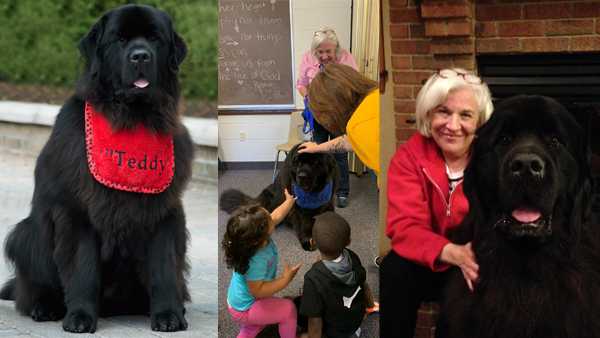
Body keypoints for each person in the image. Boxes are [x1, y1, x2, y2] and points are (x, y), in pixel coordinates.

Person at [379, 68, 494, 338]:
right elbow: (404, 227)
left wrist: (472, 256)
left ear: (479, 122)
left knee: (470, 293)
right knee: (393, 270)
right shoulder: (408, 157)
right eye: (443, 111)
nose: (453, 125)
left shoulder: (492, 160)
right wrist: (453, 252)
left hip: (473, 258)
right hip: (429, 258)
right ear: (428, 115)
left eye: (465, 115)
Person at [223, 189, 302, 338]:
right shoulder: (255, 260)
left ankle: (249, 329)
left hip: (240, 301)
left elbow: (276, 215)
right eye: (268, 219)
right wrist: (286, 279)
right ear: (259, 238)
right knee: (289, 310)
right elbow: (258, 291)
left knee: (253, 328)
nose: (271, 217)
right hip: (246, 308)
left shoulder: (252, 239)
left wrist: (289, 202)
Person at [297, 27, 358, 208]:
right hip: (318, 115)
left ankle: (342, 192)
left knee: (339, 153)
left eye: (328, 51)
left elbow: (355, 85)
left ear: (336, 48)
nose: (324, 56)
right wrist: (308, 97)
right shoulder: (307, 58)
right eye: (320, 52)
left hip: (339, 114)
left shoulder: (346, 58)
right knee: (319, 151)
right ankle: (321, 189)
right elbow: (301, 84)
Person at [297, 212, 377, 338]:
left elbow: (314, 321)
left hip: (334, 331)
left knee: (300, 318)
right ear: (348, 241)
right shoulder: (353, 256)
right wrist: (371, 305)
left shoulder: (313, 278)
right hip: (356, 320)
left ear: (313, 243)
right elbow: (364, 284)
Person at [298, 64, 380, 176]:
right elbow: (350, 141)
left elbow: (398, 182)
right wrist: (317, 148)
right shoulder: (376, 96)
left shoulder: (359, 125)